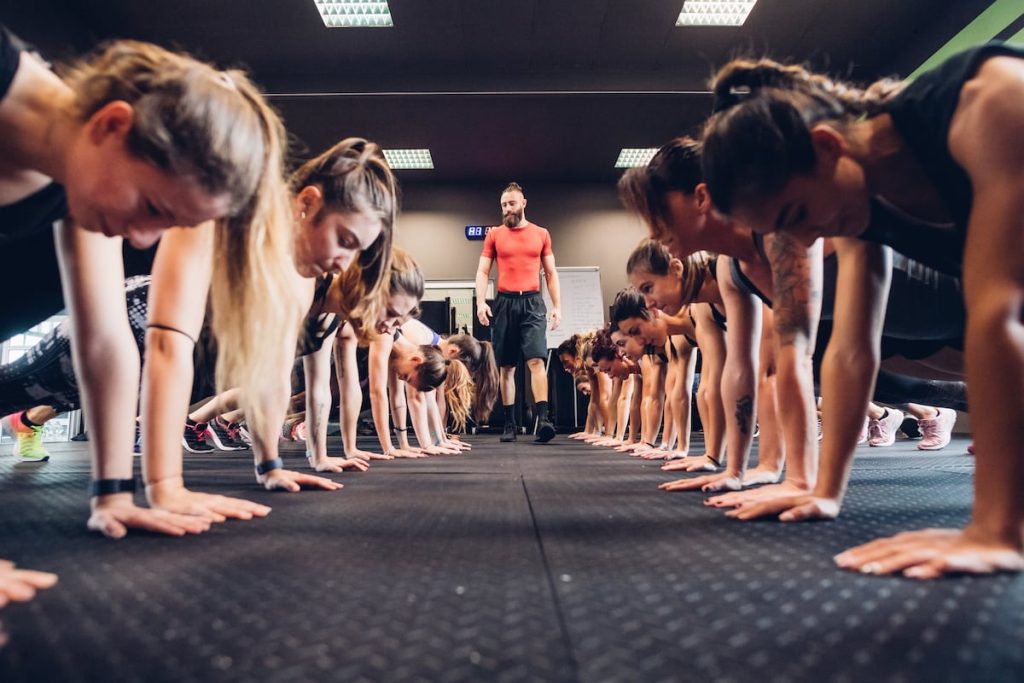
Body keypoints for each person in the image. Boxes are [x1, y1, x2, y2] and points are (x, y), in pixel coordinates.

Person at [699, 45, 1024, 577]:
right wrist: (823, 491)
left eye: (798, 214)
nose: (807, 241)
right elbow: (853, 349)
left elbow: (996, 315)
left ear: (827, 146)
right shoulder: (860, 198)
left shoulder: (987, 103)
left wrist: (995, 528)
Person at [475, 182, 561, 443]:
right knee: (507, 367)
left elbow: (551, 273)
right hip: (504, 303)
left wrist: (557, 306)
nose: (507, 209)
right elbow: (483, 271)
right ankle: (509, 423)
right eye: (503, 205)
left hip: (532, 302)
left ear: (523, 203)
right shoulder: (494, 235)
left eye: (511, 203)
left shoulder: (541, 234)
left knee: (536, 361)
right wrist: (481, 302)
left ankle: (543, 419)